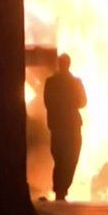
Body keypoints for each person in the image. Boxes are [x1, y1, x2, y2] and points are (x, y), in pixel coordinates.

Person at [43, 53, 87, 201]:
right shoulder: (59, 82)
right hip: (66, 126)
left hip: (63, 126)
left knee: (65, 158)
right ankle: (60, 190)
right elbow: (81, 102)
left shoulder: (57, 82)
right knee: (64, 158)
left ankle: (61, 189)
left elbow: (83, 102)